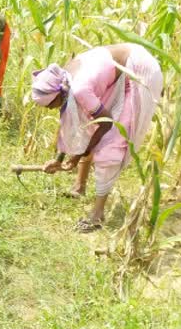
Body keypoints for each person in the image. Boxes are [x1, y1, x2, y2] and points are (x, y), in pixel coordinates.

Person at [31, 43, 163, 232]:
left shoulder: (79, 88)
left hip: (140, 72)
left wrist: (76, 157)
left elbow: (106, 122)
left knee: (110, 144)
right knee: (90, 127)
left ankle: (97, 215)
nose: (50, 109)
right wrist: (59, 159)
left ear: (58, 95)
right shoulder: (65, 80)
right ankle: (79, 187)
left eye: (49, 105)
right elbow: (71, 122)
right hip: (120, 71)